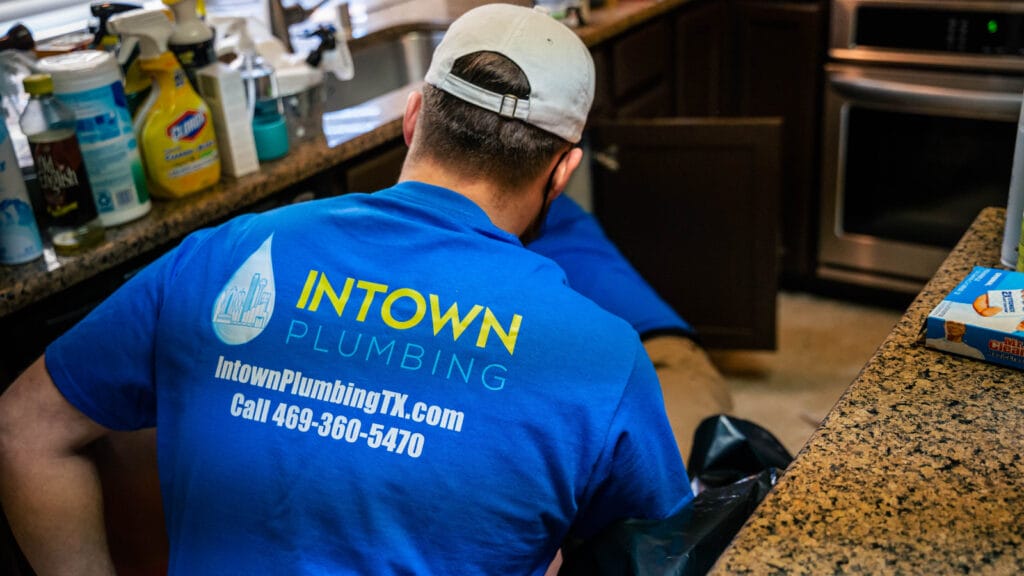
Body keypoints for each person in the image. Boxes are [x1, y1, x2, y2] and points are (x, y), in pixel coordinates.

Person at [0, 4, 693, 574]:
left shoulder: (224, 255)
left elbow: (22, 430)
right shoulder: (603, 358)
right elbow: (657, 554)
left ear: (415, 117)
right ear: (563, 169)